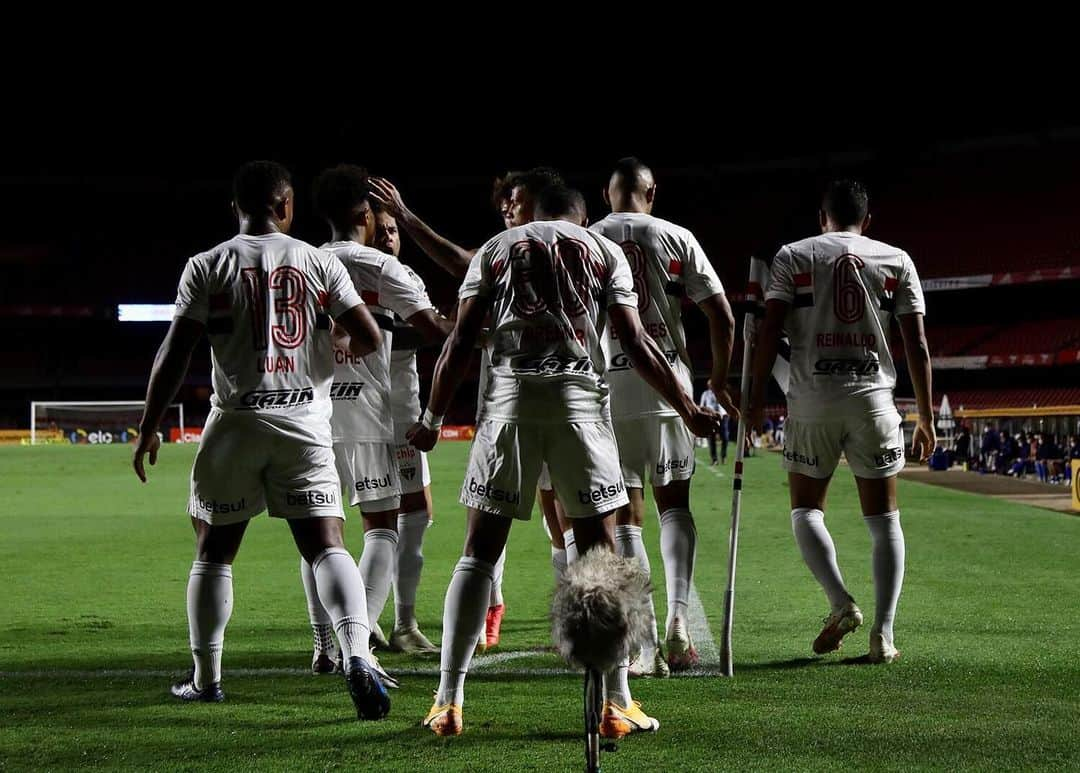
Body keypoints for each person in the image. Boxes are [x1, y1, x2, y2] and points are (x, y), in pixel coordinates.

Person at [409, 185, 722, 737]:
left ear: (534, 212)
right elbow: (634, 337)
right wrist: (687, 406)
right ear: (580, 215)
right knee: (599, 555)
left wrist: (432, 419)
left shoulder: (498, 247)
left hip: (509, 403)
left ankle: (447, 699)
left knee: (479, 554)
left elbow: (460, 340)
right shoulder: (604, 251)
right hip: (579, 403)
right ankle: (616, 702)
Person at [132, 161, 391, 718]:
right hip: (304, 423)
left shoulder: (206, 265)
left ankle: (206, 678)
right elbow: (369, 336)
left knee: (215, 551)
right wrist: (331, 345)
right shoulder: (318, 261)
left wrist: (150, 425)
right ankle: (356, 654)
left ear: (236, 209)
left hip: (236, 422)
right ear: (287, 206)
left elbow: (174, 354)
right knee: (326, 544)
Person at [368, 167, 564, 649]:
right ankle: (489, 607)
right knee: (487, 519)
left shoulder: (566, 251)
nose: (506, 210)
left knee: (560, 519)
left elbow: (458, 265)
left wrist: (407, 217)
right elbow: (461, 290)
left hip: (566, 406)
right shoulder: (501, 256)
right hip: (505, 408)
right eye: (503, 204)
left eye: (514, 201)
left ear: (541, 201)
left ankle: (569, 611)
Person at [749, 179, 934, 664]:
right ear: (866, 220)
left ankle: (840, 602)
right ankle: (883, 635)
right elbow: (916, 344)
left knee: (806, 512)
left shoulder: (794, 255)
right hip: (874, 400)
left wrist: (750, 397)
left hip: (812, 400)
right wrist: (927, 416)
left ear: (821, 217)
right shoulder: (896, 259)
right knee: (884, 519)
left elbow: (770, 328)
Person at [300, 165, 452, 671]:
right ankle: (356, 646)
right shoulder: (382, 267)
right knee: (381, 527)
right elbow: (433, 329)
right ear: (366, 214)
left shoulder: (302, 262)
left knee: (320, 534)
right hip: (367, 413)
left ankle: (324, 644)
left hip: (313, 415)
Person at [591, 157, 736, 675]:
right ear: (651, 193)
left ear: (608, 194)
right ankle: (678, 623)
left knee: (625, 514)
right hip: (670, 382)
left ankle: (646, 646)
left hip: (609, 387)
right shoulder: (678, 237)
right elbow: (721, 314)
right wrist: (716, 384)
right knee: (674, 506)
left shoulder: (588, 238)